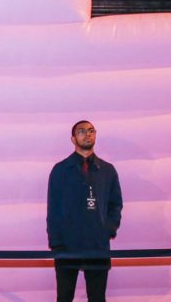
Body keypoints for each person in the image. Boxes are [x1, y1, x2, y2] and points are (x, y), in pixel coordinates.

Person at [47, 120, 123, 302]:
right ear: (73, 139)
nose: (87, 134)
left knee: (97, 298)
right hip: (66, 245)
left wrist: (107, 230)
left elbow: (115, 204)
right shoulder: (60, 170)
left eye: (91, 130)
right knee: (64, 297)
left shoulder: (107, 170)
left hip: (97, 244)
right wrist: (56, 243)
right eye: (81, 131)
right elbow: (53, 208)